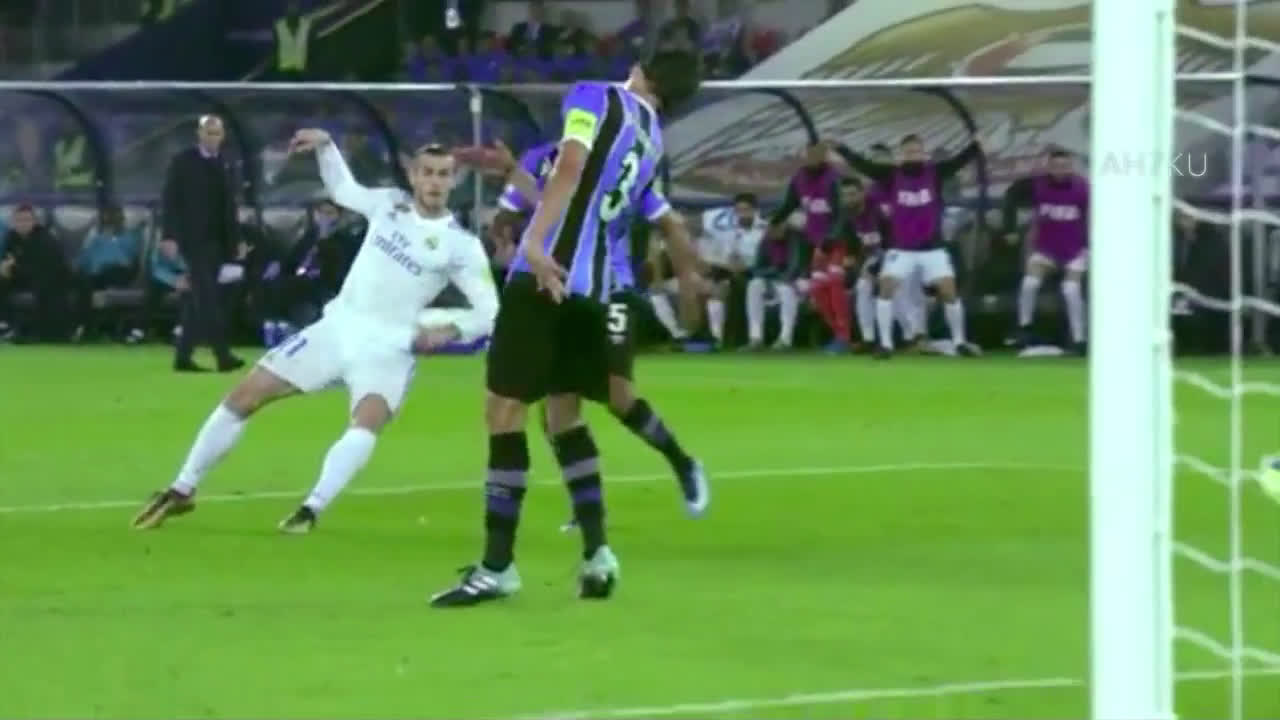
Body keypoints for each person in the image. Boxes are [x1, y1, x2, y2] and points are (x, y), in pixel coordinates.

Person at [430, 50, 703, 608]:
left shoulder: (594, 96)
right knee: (564, 415)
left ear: (641, 69)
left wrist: (534, 242)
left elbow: (572, 167)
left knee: (504, 411)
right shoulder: (653, 142)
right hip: (595, 291)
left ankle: (497, 566)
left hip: (546, 276)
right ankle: (598, 555)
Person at [132, 133, 499, 534]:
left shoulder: (461, 245)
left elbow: (489, 311)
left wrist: (452, 328)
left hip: (389, 346)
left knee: (365, 422)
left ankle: (311, 509)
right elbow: (343, 190)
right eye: (427, 172)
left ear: (454, 181)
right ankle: (182, 488)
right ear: (413, 175)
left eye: (443, 175)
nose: (434, 182)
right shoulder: (389, 204)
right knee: (244, 396)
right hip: (338, 328)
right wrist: (326, 146)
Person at [486, 139, 708, 528]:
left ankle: (684, 464)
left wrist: (688, 275)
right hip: (558, 289)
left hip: (613, 288)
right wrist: (505, 235)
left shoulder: (624, 164)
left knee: (618, 394)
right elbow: (507, 216)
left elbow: (667, 221)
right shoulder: (540, 158)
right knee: (559, 408)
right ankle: (587, 508)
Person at [838, 133, 982, 358]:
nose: (912, 156)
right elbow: (865, 167)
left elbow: (958, 162)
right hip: (902, 249)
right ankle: (885, 345)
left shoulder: (934, 173)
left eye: (916, 151)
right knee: (886, 289)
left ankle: (960, 342)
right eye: (908, 152)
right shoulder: (892, 175)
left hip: (932, 248)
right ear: (901, 155)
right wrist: (842, 149)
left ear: (923, 154)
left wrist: (975, 145)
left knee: (949, 291)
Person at [161, 115, 245, 372]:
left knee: (198, 301)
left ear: (223, 135)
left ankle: (183, 357)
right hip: (193, 240)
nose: (212, 137)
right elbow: (170, 201)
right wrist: (169, 235)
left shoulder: (227, 162)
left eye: (216, 133)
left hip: (218, 241)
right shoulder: (183, 161)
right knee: (207, 299)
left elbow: (230, 207)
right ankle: (222, 355)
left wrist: (237, 240)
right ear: (199, 134)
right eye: (208, 132)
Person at [766, 141, 851, 353]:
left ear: (824, 156)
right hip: (815, 244)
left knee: (834, 282)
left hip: (835, 244)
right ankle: (838, 335)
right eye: (809, 154)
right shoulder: (799, 178)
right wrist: (774, 221)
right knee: (818, 290)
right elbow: (789, 204)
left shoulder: (833, 179)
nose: (812, 158)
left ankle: (844, 335)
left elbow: (841, 214)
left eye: (817, 154)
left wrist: (831, 238)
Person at [1002, 148, 1089, 353]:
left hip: (1074, 249)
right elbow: (1010, 196)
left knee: (1070, 289)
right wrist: (1010, 229)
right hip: (1046, 249)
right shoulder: (1037, 184)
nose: (1060, 170)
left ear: (1071, 167)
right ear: (1049, 167)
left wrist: (1089, 247)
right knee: (1030, 283)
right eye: (1056, 166)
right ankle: (1024, 328)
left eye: (1065, 166)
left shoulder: (1082, 188)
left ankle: (1079, 339)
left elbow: (1093, 216)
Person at [0, 205, 73, 342]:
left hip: (45, 279)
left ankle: (39, 332)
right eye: (19, 220)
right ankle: (5, 325)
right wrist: (5, 269)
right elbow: (8, 260)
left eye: (27, 220)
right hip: (21, 277)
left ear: (34, 221)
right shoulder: (11, 237)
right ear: (14, 222)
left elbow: (45, 267)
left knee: (45, 287)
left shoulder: (45, 239)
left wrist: (14, 268)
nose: (23, 223)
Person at [73, 204, 143, 341]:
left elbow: (130, 260)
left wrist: (111, 244)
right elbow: (84, 260)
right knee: (84, 284)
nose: (111, 221)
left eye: (115, 218)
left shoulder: (129, 237)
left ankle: (88, 327)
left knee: (107, 272)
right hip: (96, 276)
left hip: (120, 274)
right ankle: (84, 327)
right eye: (108, 218)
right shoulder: (95, 238)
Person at [745, 202, 805, 350]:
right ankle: (756, 338)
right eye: (769, 225)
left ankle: (785, 339)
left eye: (777, 225)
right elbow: (756, 268)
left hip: (800, 280)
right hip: (774, 280)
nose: (773, 229)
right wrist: (771, 276)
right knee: (754, 285)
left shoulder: (796, 237)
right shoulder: (765, 241)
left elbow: (795, 267)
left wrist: (775, 276)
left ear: (785, 224)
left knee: (786, 289)